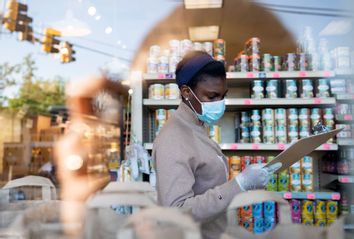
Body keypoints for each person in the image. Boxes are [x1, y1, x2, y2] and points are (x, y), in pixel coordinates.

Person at [153, 51, 278, 239]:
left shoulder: (196, 125)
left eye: (223, 96)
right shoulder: (174, 138)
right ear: (187, 92)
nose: (219, 104)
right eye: (212, 97)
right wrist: (239, 184)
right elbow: (176, 211)